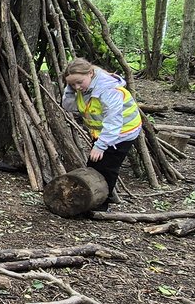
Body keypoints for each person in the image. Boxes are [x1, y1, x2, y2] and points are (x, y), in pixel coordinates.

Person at [61, 57, 142, 206]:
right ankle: (92, 199)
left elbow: (114, 121)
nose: (77, 87)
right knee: (94, 166)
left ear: (91, 73)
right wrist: (70, 90)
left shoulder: (108, 90)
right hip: (102, 133)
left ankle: (102, 204)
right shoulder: (82, 88)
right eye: (72, 84)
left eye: (79, 82)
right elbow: (69, 106)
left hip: (122, 132)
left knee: (107, 168)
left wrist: (101, 145)